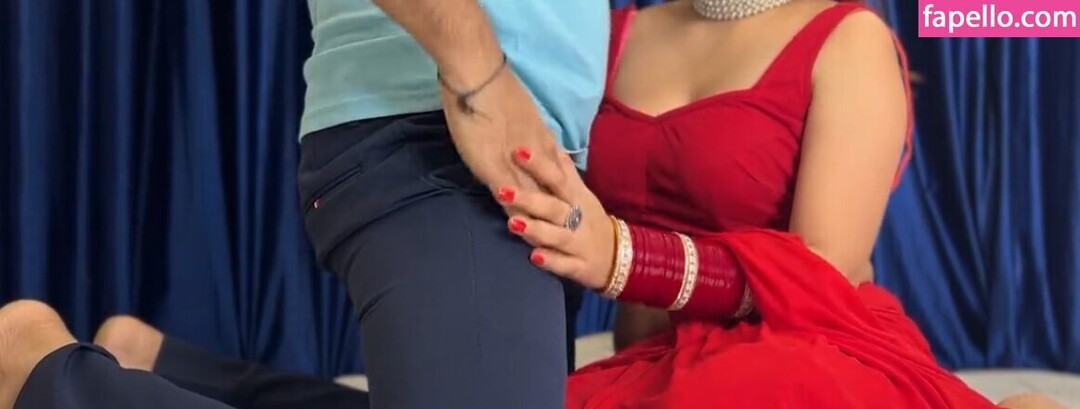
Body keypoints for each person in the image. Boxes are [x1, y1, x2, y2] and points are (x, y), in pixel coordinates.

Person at [0, 1, 1067, 409]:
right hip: (645, 351)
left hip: (789, 355)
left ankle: (157, 369)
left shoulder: (848, 38)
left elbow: (822, 276)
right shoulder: (625, 31)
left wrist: (623, 258)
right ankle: (79, 381)